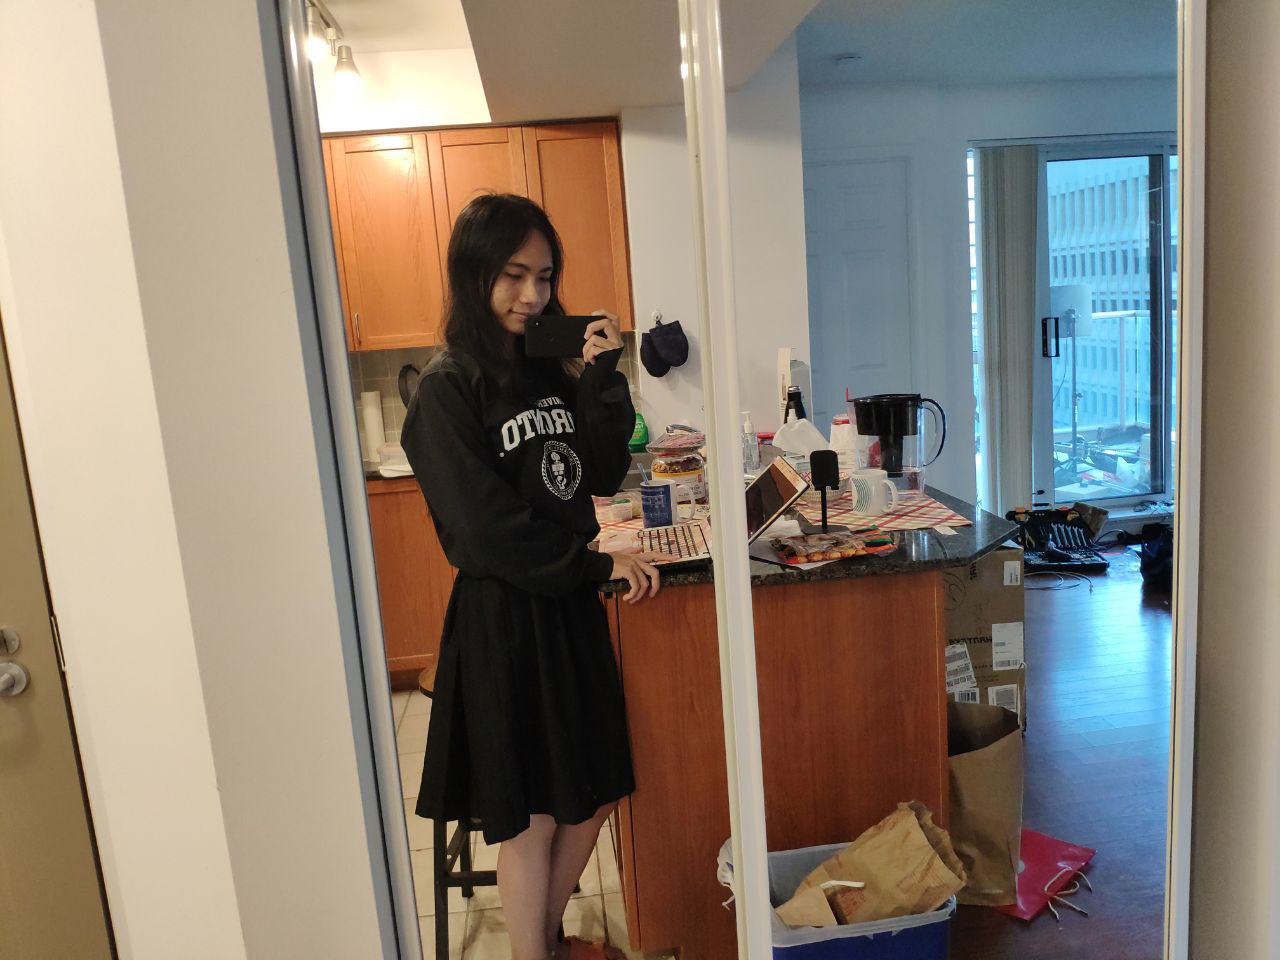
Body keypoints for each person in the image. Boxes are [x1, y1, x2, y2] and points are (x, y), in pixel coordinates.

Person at [401, 193, 661, 960]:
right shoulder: (447, 388)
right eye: (514, 276)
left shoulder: (547, 371)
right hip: (507, 621)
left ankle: (541, 944)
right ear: (474, 275)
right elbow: (482, 530)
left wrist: (603, 376)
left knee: (596, 792)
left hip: (568, 608)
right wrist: (592, 563)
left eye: (545, 277)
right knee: (536, 818)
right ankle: (536, 951)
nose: (533, 295)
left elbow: (598, 474)